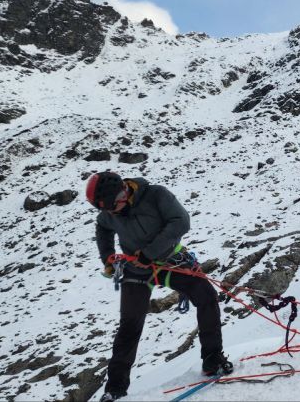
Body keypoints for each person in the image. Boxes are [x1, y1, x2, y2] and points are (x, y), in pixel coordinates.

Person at [86, 171, 233, 402]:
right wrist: (108, 257)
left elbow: (181, 221)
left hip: (171, 261)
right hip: (137, 269)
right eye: (106, 209)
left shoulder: (156, 195)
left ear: (123, 191)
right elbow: (103, 227)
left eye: (113, 206)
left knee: (206, 297)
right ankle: (115, 389)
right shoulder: (110, 212)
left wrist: (150, 253)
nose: (112, 213)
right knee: (130, 324)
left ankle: (212, 359)